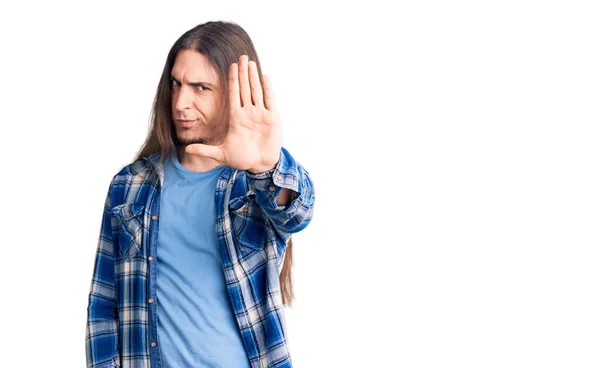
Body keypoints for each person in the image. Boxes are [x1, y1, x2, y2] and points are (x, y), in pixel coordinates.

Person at [85, 21, 315, 368]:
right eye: (176, 84)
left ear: (235, 94)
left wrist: (266, 165)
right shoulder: (129, 186)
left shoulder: (252, 182)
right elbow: (104, 304)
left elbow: (297, 212)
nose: (181, 102)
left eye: (201, 87)